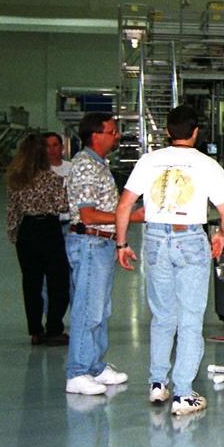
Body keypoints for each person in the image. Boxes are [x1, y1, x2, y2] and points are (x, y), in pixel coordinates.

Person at [114, 105, 224, 416]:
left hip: (155, 239)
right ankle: (183, 394)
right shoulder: (207, 164)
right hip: (189, 239)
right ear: (195, 133)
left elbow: (125, 205)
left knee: (163, 316)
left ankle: (158, 383)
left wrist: (122, 243)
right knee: (190, 319)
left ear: (167, 131)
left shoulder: (148, 161)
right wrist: (221, 235)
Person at [64, 112, 142, 396]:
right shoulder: (85, 165)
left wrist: (120, 239)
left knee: (100, 309)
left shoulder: (99, 165)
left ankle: (94, 365)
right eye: (112, 131)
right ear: (96, 135)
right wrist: (131, 218)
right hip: (90, 244)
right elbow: (88, 215)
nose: (117, 135)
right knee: (88, 309)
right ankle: (78, 371)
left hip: (103, 243)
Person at [5, 134, 70, 345]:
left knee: (31, 283)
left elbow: (12, 212)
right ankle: (54, 329)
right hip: (49, 229)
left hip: (27, 231)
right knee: (57, 281)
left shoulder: (16, 179)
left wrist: (14, 235)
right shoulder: (52, 179)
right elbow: (62, 206)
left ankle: (35, 330)